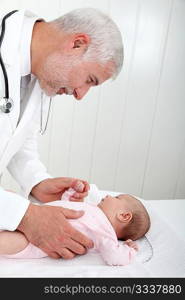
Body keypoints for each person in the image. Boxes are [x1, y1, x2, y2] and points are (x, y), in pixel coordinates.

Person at [0, 8, 123, 259]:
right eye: (90, 79)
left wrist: (36, 181)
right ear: (77, 44)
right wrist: (24, 215)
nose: (80, 94)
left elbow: (16, 137)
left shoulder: (39, 71)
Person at [0, 182, 150, 266]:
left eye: (117, 198)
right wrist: (69, 196)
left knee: (10, 241)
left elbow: (114, 256)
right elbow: (63, 206)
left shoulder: (105, 232)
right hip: (30, 215)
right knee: (9, 196)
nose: (109, 196)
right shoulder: (92, 208)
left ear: (124, 215)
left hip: (34, 242)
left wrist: (129, 251)